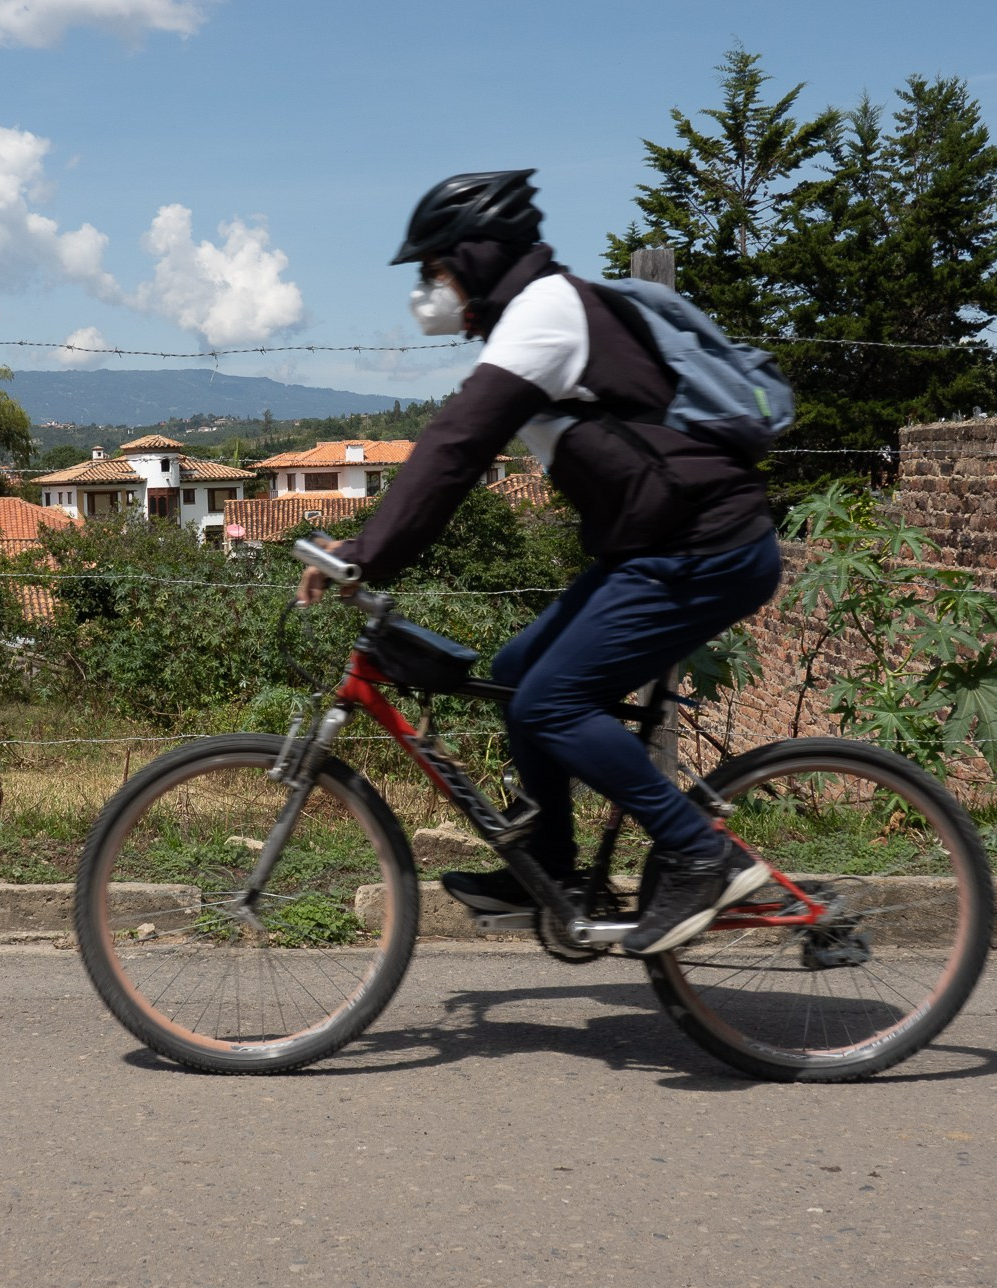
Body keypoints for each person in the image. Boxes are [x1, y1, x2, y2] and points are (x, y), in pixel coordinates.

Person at [297, 169, 781, 956]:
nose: (429, 291)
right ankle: (549, 864)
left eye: (436, 270)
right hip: (658, 548)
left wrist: (367, 554)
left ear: (478, 256)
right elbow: (464, 448)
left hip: (706, 548)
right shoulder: (539, 315)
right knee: (523, 670)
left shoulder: (546, 314)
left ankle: (701, 853)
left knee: (552, 703)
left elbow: (456, 445)